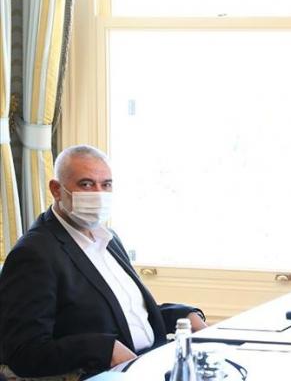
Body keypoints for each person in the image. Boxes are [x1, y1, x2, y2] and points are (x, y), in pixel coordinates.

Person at [0, 145, 208, 378]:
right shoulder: (34, 253)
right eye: (86, 184)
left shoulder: (108, 238)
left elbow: (126, 311)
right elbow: (24, 352)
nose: (98, 194)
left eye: (106, 184)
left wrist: (183, 315)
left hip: (150, 364)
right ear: (56, 190)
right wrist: (103, 349)